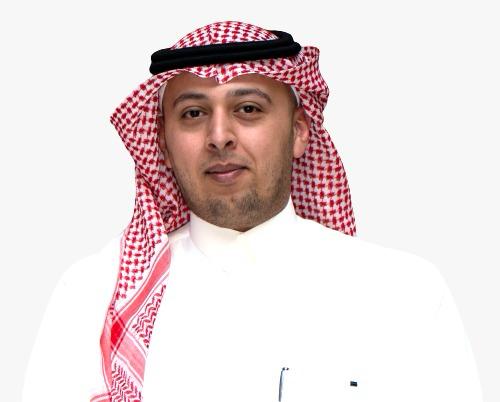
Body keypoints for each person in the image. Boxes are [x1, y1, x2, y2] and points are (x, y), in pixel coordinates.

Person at [22, 21, 483, 402]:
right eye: (193, 114)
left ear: (299, 132)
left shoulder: (403, 294)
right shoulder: (91, 296)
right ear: (162, 142)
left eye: (247, 108)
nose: (219, 136)